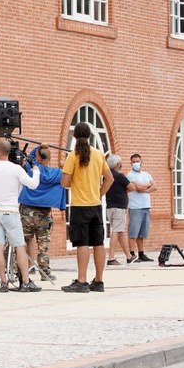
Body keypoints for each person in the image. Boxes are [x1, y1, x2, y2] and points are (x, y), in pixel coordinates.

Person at [0, 139, 42, 292]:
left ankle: (3, 282)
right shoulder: (16, 169)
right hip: (11, 211)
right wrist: (36, 172)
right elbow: (33, 184)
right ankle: (25, 281)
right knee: (19, 246)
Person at [61, 123, 113, 293]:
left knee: (82, 242)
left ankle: (82, 281)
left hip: (79, 206)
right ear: (90, 136)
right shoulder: (98, 155)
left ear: (74, 136)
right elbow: (109, 179)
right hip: (96, 206)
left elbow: (64, 182)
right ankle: (98, 280)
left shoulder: (73, 156)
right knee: (98, 242)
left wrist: (73, 183)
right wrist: (99, 194)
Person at [18, 144, 66, 281]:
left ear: (38, 157)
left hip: (26, 211)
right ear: (49, 158)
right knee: (43, 244)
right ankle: (45, 272)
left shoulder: (31, 169)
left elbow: (29, 158)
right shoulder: (57, 174)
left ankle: (20, 271)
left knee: (23, 242)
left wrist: (38, 147)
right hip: (43, 214)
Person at [125, 153, 157, 262]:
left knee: (142, 232)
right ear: (130, 163)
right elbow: (137, 188)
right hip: (136, 207)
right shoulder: (130, 175)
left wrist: (145, 188)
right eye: (133, 162)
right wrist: (147, 185)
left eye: (137, 161)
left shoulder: (146, 174)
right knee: (133, 231)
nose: (136, 164)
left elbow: (155, 186)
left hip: (146, 207)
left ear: (141, 162)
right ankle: (131, 254)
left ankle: (141, 253)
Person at [104, 154, 134, 266]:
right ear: (118, 164)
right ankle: (111, 258)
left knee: (119, 232)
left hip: (110, 207)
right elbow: (132, 187)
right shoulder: (120, 176)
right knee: (116, 232)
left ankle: (129, 256)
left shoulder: (106, 175)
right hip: (119, 208)